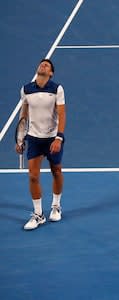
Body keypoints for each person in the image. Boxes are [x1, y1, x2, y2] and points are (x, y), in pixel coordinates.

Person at [15, 58, 66, 230]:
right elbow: (24, 114)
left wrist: (59, 137)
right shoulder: (26, 90)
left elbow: (62, 114)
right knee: (33, 176)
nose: (43, 65)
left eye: (48, 65)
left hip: (52, 138)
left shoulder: (57, 89)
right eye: (41, 64)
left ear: (51, 73)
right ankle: (38, 214)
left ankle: (56, 206)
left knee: (56, 171)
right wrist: (20, 139)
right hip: (34, 138)